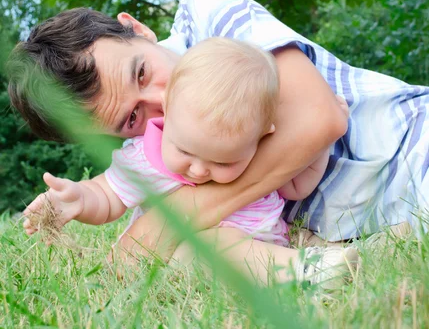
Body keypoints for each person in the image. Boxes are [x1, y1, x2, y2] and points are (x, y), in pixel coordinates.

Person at [8, 0, 424, 247]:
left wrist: (168, 226)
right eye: (132, 118)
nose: (163, 102)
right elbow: (113, 194)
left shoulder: (205, 15)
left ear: (135, 28)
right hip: (372, 223)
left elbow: (320, 119)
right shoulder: (156, 153)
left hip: (407, 143)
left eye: (142, 72)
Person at [21, 37, 357, 289]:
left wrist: (321, 146)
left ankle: (316, 263)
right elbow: (108, 196)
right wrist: (80, 198)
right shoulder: (146, 157)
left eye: (222, 161)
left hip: (268, 244)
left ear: (261, 138)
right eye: (184, 150)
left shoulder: (255, 153)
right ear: (167, 112)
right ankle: (306, 272)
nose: (197, 170)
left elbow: (297, 186)